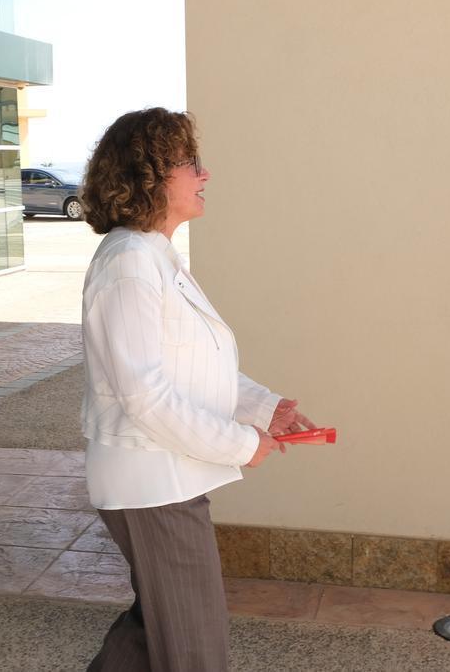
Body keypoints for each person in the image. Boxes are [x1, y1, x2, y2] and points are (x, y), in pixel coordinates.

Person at [79, 108, 315, 671]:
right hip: (153, 482)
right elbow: (146, 396)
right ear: (150, 175)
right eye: (190, 162)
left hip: (163, 477)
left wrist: (265, 407)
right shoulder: (131, 265)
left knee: (154, 627)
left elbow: (193, 366)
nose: (204, 174)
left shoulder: (153, 258)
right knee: (194, 646)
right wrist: (241, 443)